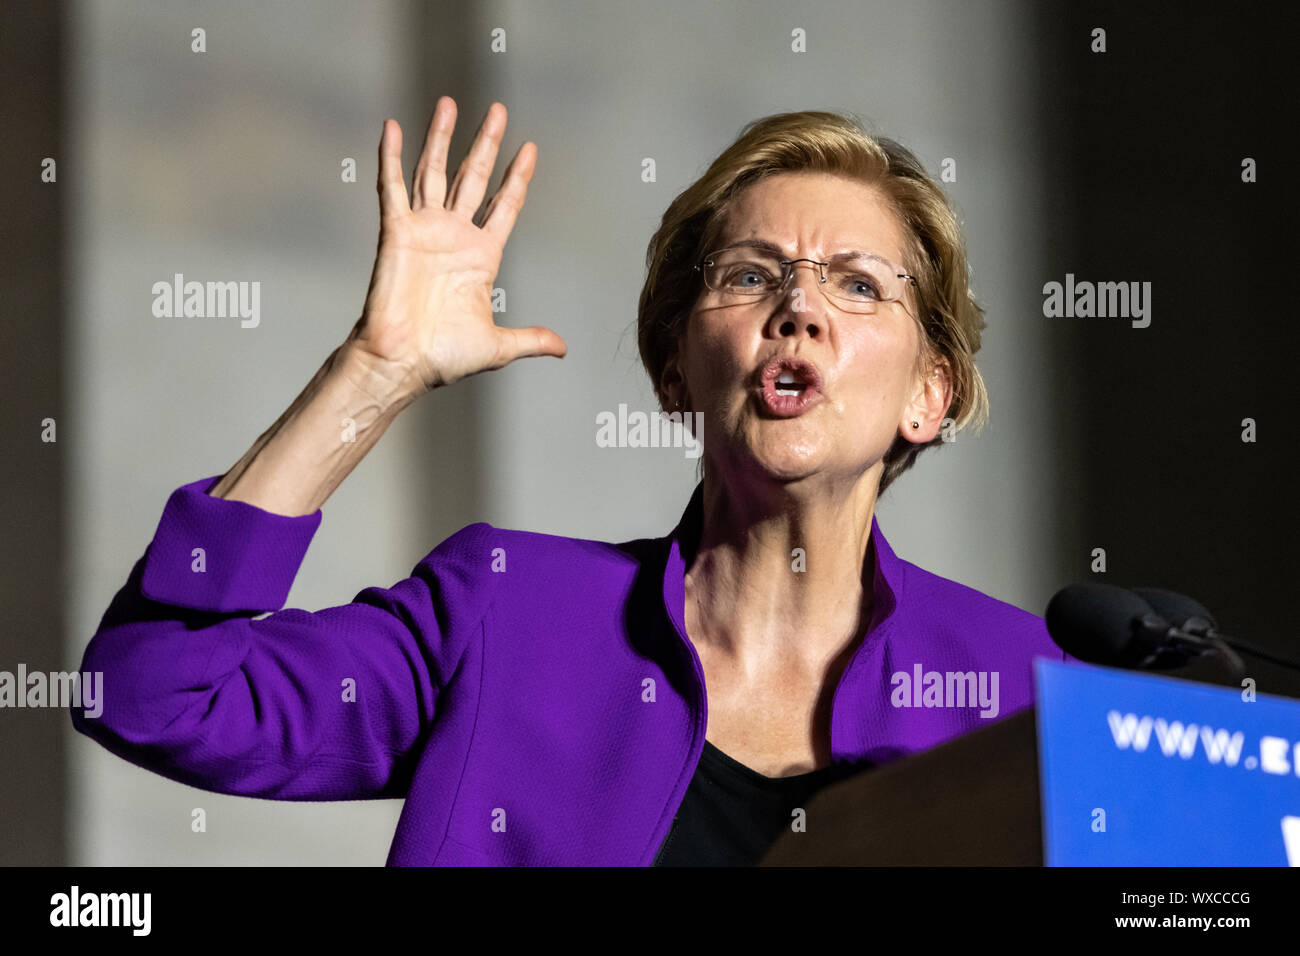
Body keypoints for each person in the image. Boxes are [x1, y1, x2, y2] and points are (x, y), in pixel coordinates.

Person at [72, 96, 1068, 866]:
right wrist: (373, 372)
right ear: (676, 368)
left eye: (857, 283)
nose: (798, 305)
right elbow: (148, 691)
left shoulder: (1025, 687)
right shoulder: (509, 609)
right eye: (750, 274)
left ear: (928, 395)